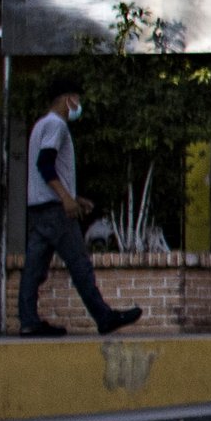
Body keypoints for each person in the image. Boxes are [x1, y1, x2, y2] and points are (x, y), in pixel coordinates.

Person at [18, 71, 144, 337]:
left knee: (34, 268)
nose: (78, 104)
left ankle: (28, 320)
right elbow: (45, 164)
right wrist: (65, 199)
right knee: (79, 264)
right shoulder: (57, 126)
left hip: (39, 209)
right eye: (76, 99)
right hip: (56, 210)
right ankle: (104, 316)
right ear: (67, 99)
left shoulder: (39, 125)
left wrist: (74, 197)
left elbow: (46, 170)